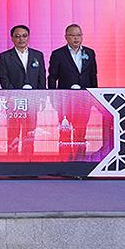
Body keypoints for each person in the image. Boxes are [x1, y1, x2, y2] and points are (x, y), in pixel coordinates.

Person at [48, 23, 98, 160]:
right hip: (64, 100)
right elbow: (52, 77)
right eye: (72, 35)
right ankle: (64, 160)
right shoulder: (58, 54)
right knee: (65, 131)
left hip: (84, 100)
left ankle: (79, 159)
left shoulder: (89, 53)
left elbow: (93, 76)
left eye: (78, 35)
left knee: (81, 131)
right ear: (66, 37)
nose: (76, 38)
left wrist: (94, 97)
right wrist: (53, 97)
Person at [0, 25, 45, 158]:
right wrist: (13, 95)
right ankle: (12, 162)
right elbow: (3, 78)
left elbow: (42, 78)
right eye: (17, 36)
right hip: (14, 101)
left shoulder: (37, 55)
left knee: (29, 132)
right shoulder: (5, 57)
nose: (21, 39)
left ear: (28, 37)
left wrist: (41, 97)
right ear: (12, 38)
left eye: (24, 36)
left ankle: (28, 161)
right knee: (13, 132)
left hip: (33, 101)